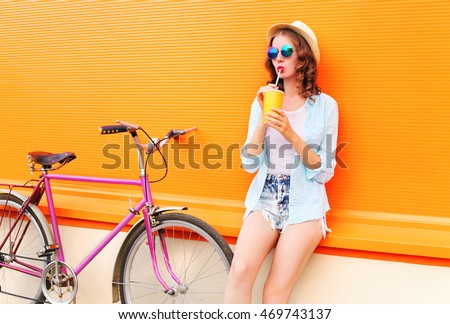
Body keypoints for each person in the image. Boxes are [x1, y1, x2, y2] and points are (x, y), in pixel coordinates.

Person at [224, 20, 338, 304]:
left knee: (274, 292)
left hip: (306, 201)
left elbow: (324, 170)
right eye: (273, 53)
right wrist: (264, 120)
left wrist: (290, 132)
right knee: (239, 271)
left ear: (303, 54)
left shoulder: (325, 106)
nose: (278, 59)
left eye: (285, 50)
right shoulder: (263, 100)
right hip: (266, 195)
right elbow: (249, 163)